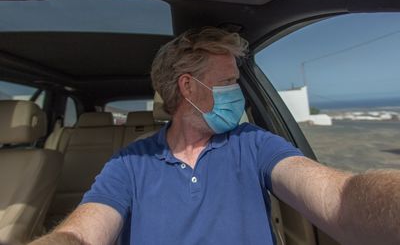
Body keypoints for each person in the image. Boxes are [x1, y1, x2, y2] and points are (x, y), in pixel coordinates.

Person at [30, 27, 400, 245]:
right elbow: (82, 234)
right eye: (227, 82)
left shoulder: (254, 143)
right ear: (189, 88)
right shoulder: (128, 164)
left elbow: (338, 197)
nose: (236, 93)